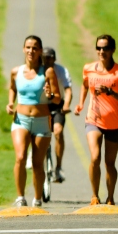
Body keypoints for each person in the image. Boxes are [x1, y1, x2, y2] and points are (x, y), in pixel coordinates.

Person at [74, 35, 118, 206]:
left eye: (105, 48)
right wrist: (80, 103)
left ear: (113, 49)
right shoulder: (89, 68)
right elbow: (85, 85)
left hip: (114, 124)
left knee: (109, 163)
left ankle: (110, 197)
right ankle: (94, 196)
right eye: (98, 48)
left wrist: (111, 92)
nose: (101, 52)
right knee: (95, 157)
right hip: (93, 120)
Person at [8, 35, 62, 207]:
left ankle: (37, 199)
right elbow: (12, 88)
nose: (31, 51)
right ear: (24, 49)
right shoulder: (16, 71)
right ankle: (20, 197)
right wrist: (10, 102)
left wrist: (50, 95)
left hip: (41, 121)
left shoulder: (48, 72)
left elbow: (57, 99)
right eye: (28, 47)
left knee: (38, 164)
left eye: (35, 48)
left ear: (40, 51)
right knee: (21, 157)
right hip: (21, 121)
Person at [42, 48, 73, 183]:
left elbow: (68, 90)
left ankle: (58, 167)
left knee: (58, 132)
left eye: (49, 58)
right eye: (44, 57)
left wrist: (66, 105)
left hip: (57, 104)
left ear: (54, 59)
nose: (47, 60)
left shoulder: (61, 71)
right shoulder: (37, 70)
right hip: (41, 105)